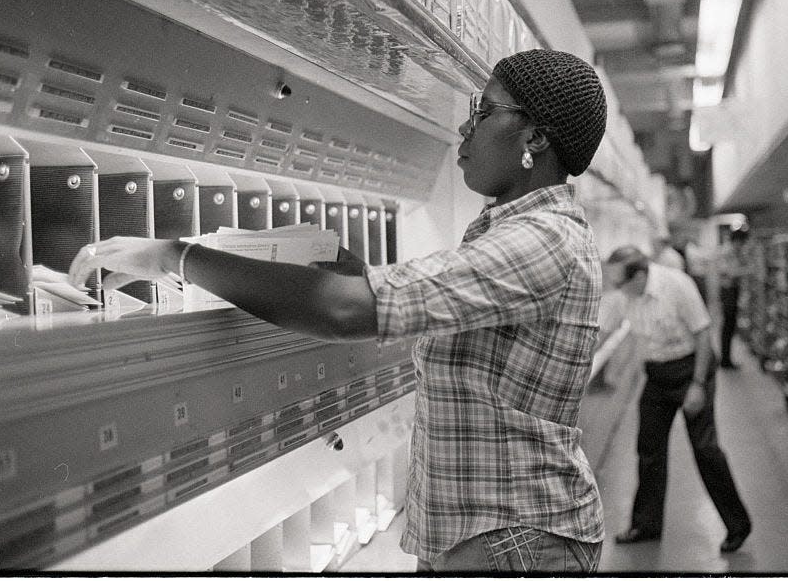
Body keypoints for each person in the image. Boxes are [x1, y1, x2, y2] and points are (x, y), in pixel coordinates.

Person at [68, 49, 609, 573]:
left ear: (535, 136)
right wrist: (326, 258)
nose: (465, 131)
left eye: (483, 112)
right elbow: (399, 295)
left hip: (515, 538)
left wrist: (175, 256)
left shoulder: (541, 242)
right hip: (490, 533)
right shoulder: (515, 233)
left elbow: (344, 312)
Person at [604, 245, 751, 554]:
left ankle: (738, 525)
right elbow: (605, 327)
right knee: (649, 450)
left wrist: (698, 385)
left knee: (705, 449)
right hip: (657, 375)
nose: (616, 289)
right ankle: (646, 524)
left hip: (691, 369)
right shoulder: (626, 294)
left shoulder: (677, 285)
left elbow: (702, 333)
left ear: (640, 275)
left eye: (620, 283)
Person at [717, 228, 751, 368]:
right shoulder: (727, 252)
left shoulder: (733, 252)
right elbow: (728, 273)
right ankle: (725, 360)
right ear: (737, 241)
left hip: (731, 290)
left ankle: (727, 358)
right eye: (742, 243)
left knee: (730, 326)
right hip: (728, 291)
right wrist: (748, 270)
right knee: (728, 326)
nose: (742, 246)